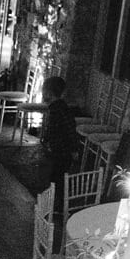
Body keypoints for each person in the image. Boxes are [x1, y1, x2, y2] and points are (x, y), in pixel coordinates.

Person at [40, 75, 79, 221]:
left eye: (44, 91)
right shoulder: (56, 109)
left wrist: (74, 149)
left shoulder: (59, 110)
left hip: (64, 151)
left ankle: (61, 208)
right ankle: (56, 205)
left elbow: (69, 130)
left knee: (59, 178)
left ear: (49, 93)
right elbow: (53, 129)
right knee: (56, 177)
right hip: (58, 150)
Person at [105, 105, 130, 202]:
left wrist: (116, 165)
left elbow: (120, 153)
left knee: (119, 194)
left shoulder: (128, 134)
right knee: (126, 196)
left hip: (122, 169)